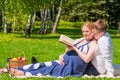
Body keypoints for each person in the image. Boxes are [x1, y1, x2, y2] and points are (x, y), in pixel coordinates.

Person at [0, 22, 97, 77]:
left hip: (71, 68)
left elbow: (87, 59)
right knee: (41, 65)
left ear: (93, 31)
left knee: (48, 69)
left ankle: (21, 73)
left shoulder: (93, 44)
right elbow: (69, 51)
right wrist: (62, 55)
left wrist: (75, 48)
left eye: (87, 31)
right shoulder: (81, 40)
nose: (84, 33)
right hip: (64, 61)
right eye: (83, 31)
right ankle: (9, 69)